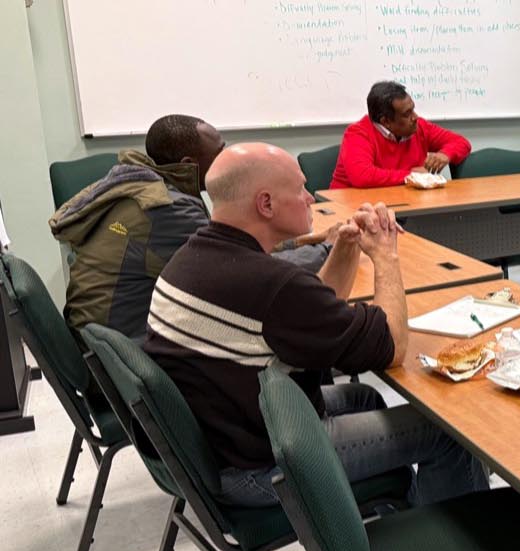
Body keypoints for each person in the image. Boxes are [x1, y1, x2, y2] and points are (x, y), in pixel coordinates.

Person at [145, 143, 486, 507]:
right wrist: (386, 255)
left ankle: (398, 515)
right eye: (300, 189)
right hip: (259, 471)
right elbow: (392, 346)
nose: (310, 197)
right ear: (266, 204)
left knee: (363, 398)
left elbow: (311, 314)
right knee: (447, 432)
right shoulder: (270, 283)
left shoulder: (194, 257)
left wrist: (346, 246)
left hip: (223, 446)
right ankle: (457, 538)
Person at [49, 115, 329, 341]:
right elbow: (243, 268)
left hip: (104, 337)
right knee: (272, 329)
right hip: (127, 352)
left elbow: (233, 243)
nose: (226, 157)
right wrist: (328, 251)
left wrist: (301, 241)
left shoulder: (140, 184)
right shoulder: (166, 209)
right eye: (219, 152)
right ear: (189, 164)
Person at [330, 81, 472, 189]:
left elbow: (462, 142)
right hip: (349, 208)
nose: (415, 117)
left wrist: (445, 154)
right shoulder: (357, 134)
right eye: (406, 114)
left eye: (413, 109)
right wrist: (411, 176)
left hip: (398, 204)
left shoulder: (419, 127)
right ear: (386, 121)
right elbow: (363, 176)